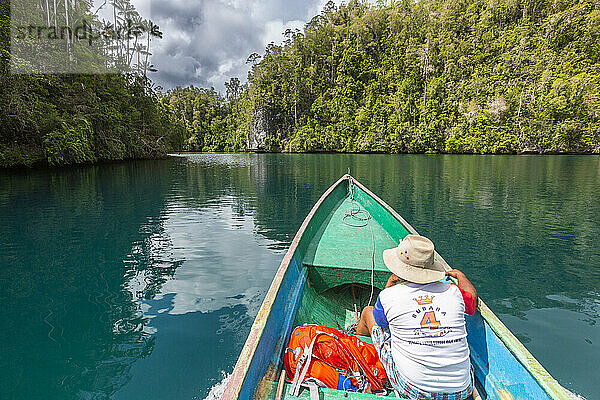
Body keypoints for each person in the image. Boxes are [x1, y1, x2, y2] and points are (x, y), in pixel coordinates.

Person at [356, 234, 477, 400]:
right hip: (462, 390)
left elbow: (381, 322)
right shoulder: (455, 292)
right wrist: (461, 277)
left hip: (414, 390)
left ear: (399, 269)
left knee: (368, 313)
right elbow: (472, 300)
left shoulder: (388, 296)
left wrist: (389, 286)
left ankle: (357, 343)